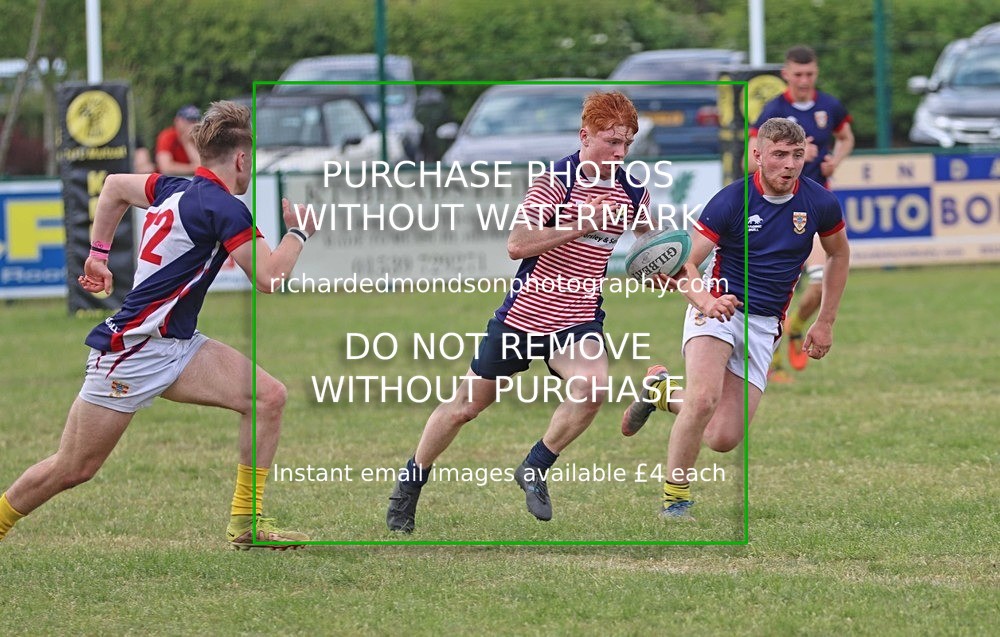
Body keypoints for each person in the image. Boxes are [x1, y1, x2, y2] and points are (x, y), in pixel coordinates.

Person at [0, 101, 318, 549]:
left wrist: (98, 254)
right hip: (133, 350)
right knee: (73, 467)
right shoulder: (224, 208)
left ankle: (246, 523)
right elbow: (269, 278)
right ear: (241, 159)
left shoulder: (173, 187)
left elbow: (114, 186)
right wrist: (297, 233)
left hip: (177, 346)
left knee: (268, 397)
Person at [386, 90, 655, 533]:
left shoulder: (632, 191)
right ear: (584, 136)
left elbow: (652, 246)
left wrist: (683, 282)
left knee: (592, 388)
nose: (620, 152)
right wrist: (582, 223)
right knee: (464, 407)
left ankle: (535, 465)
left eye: (626, 143)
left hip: (577, 319)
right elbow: (517, 244)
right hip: (524, 317)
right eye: (611, 141)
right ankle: (410, 483)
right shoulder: (556, 182)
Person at [621, 118, 850, 520]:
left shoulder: (819, 202)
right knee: (703, 399)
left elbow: (839, 254)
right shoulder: (732, 200)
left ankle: (660, 392)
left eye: (797, 155)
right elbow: (688, 264)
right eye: (779, 154)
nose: (789, 164)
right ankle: (675, 501)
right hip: (718, 308)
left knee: (722, 438)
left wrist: (825, 321)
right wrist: (705, 301)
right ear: (758, 156)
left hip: (765, 325)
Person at [750, 45, 854, 377]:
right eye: (798, 74)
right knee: (771, 291)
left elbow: (846, 137)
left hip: (815, 210)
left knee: (821, 284)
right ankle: (771, 361)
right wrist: (793, 155)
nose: (804, 80)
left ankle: (796, 325)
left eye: (809, 74)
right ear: (786, 74)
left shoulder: (829, 106)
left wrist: (835, 160)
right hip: (777, 211)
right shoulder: (774, 109)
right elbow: (751, 158)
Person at [155, 104, 202, 175]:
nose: (192, 125)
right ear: (177, 121)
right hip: (169, 179)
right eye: (188, 120)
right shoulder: (167, 136)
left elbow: (203, 167)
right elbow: (165, 168)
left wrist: (187, 142)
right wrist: (194, 168)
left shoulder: (199, 138)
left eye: (195, 121)